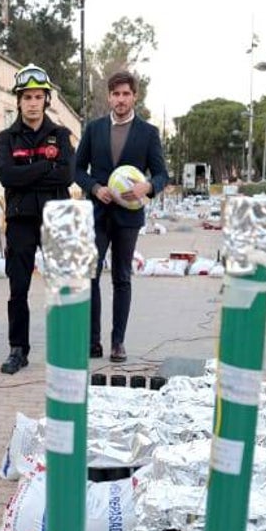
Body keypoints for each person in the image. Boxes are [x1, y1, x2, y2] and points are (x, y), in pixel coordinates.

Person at [73, 70, 169, 363]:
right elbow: (76, 170)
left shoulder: (148, 133)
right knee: (91, 275)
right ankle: (93, 341)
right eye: (116, 94)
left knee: (121, 278)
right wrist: (94, 187)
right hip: (98, 213)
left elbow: (163, 174)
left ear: (134, 96)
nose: (121, 99)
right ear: (109, 97)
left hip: (128, 217)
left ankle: (118, 343)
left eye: (126, 94)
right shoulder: (93, 129)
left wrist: (148, 186)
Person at [0, 64, 75, 374]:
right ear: (18, 100)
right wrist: (45, 169)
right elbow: (6, 176)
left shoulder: (60, 135)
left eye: (37, 96)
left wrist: (26, 174)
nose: (32, 102)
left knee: (63, 288)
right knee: (18, 289)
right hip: (21, 221)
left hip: (57, 219)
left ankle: (65, 345)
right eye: (26, 96)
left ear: (46, 99)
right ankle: (18, 350)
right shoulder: (6, 139)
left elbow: (66, 176)